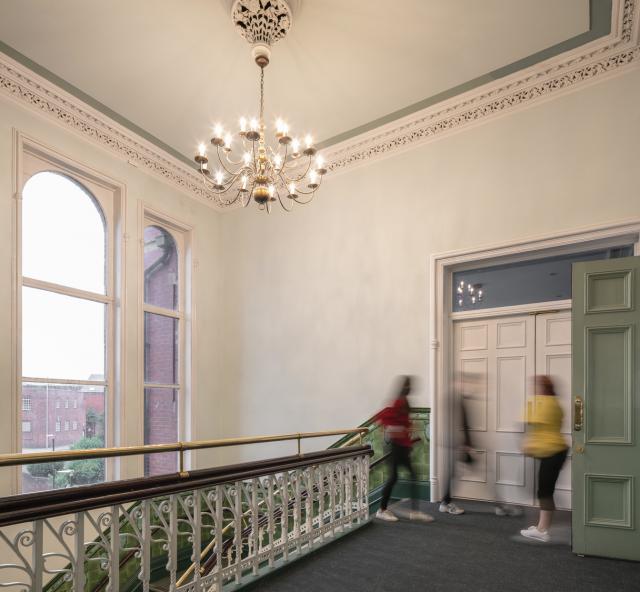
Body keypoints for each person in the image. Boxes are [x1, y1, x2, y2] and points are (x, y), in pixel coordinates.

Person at [375, 376, 433, 523]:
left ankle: (414, 511)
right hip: (395, 447)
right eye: (408, 385)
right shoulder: (399, 402)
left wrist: (409, 431)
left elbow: (402, 424)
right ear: (405, 387)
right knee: (393, 478)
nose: (410, 388)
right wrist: (405, 429)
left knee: (411, 476)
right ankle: (382, 510)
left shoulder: (404, 401)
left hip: (401, 447)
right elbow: (388, 422)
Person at [520, 375, 568, 542]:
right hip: (558, 451)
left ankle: (542, 531)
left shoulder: (541, 403)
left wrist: (527, 446)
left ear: (542, 387)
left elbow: (532, 425)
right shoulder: (556, 403)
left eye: (534, 385)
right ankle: (542, 526)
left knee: (545, 492)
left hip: (552, 452)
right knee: (545, 490)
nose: (532, 388)